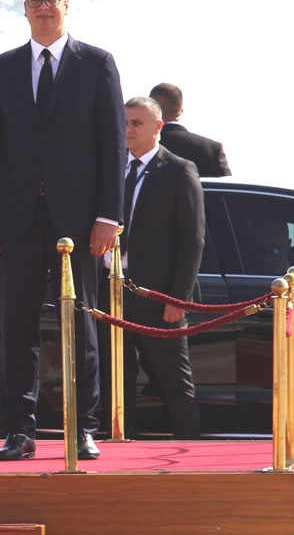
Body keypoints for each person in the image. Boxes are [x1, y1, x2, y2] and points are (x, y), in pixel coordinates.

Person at [0, 0, 126, 460]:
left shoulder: (97, 63)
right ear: (24, 7)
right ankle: (20, 429)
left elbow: (113, 146)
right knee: (18, 329)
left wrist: (109, 216)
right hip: (16, 221)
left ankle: (83, 428)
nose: (43, 6)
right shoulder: (2, 67)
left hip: (78, 223)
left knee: (80, 326)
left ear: (66, 4)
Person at [118, 97, 203, 439]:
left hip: (160, 297)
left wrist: (177, 297)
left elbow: (192, 240)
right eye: (125, 122)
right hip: (113, 292)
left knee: (174, 383)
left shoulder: (179, 170)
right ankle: (120, 450)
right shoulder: (112, 167)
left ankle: (189, 452)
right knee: (117, 382)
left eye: (137, 123)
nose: (128, 129)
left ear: (158, 127)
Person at [149, 83, 231, 177]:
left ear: (150, 111)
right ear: (180, 111)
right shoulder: (212, 150)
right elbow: (227, 185)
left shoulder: (141, 147)